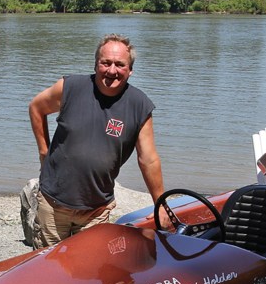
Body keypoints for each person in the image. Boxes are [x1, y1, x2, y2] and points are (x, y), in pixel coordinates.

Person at [28, 34, 166, 248]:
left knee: (90, 275)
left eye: (120, 65)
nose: (112, 71)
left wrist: (160, 204)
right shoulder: (70, 88)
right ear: (95, 64)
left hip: (96, 211)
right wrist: (44, 152)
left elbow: (148, 159)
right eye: (106, 63)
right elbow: (36, 107)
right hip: (53, 206)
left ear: (130, 70)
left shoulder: (140, 106)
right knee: (49, 272)